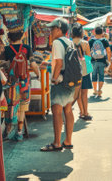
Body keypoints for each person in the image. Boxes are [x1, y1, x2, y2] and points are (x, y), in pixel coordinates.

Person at [41, 18, 75, 151]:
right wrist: (50, 64)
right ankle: (68, 141)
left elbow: (60, 63)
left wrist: (54, 79)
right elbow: (65, 62)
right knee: (68, 110)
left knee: (56, 112)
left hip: (60, 81)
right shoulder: (69, 42)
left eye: (52, 28)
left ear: (59, 29)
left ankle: (56, 143)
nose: (51, 31)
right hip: (70, 81)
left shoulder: (56, 42)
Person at [1, 25, 40, 141]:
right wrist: (38, 74)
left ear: (9, 37)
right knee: (22, 106)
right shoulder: (27, 48)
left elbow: (2, 64)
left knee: (10, 105)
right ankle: (19, 132)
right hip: (24, 82)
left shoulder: (7, 49)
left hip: (11, 82)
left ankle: (8, 130)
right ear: (21, 36)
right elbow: (33, 64)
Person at [71, 23, 92, 121]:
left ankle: (81, 111)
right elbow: (88, 58)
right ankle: (86, 112)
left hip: (74, 70)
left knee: (77, 93)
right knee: (84, 93)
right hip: (84, 70)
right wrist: (89, 70)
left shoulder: (70, 43)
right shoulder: (85, 43)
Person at [89, 26, 111, 97]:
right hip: (102, 60)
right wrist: (109, 60)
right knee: (101, 76)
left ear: (95, 32)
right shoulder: (104, 40)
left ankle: (95, 90)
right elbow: (108, 51)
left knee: (94, 75)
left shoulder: (91, 41)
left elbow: (87, 51)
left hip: (93, 61)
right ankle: (99, 90)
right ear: (102, 33)